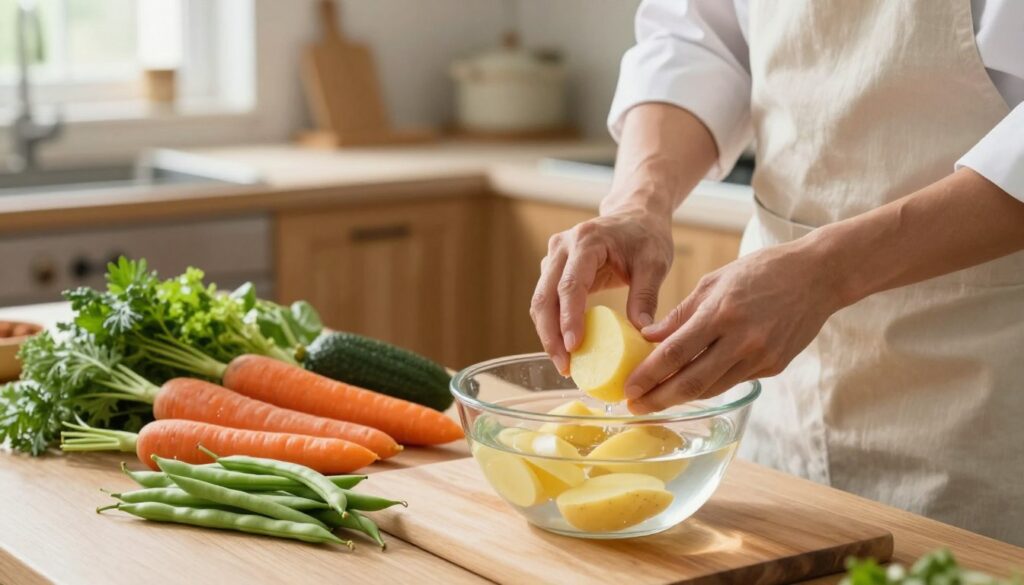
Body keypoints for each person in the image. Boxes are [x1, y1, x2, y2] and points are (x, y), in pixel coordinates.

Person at [530, 0, 1024, 545]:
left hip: (985, 401)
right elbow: (698, 36)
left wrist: (827, 270)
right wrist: (636, 203)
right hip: (778, 411)